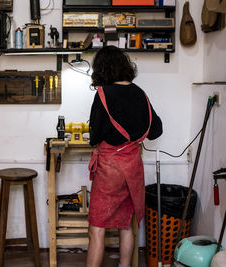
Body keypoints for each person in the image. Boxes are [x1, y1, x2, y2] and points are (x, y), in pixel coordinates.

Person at [86, 46, 163, 267]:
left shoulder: (103, 94)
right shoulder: (140, 93)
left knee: (97, 228)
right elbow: (156, 130)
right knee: (126, 223)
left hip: (110, 169)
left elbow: (95, 135)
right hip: (133, 166)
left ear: (102, 69)